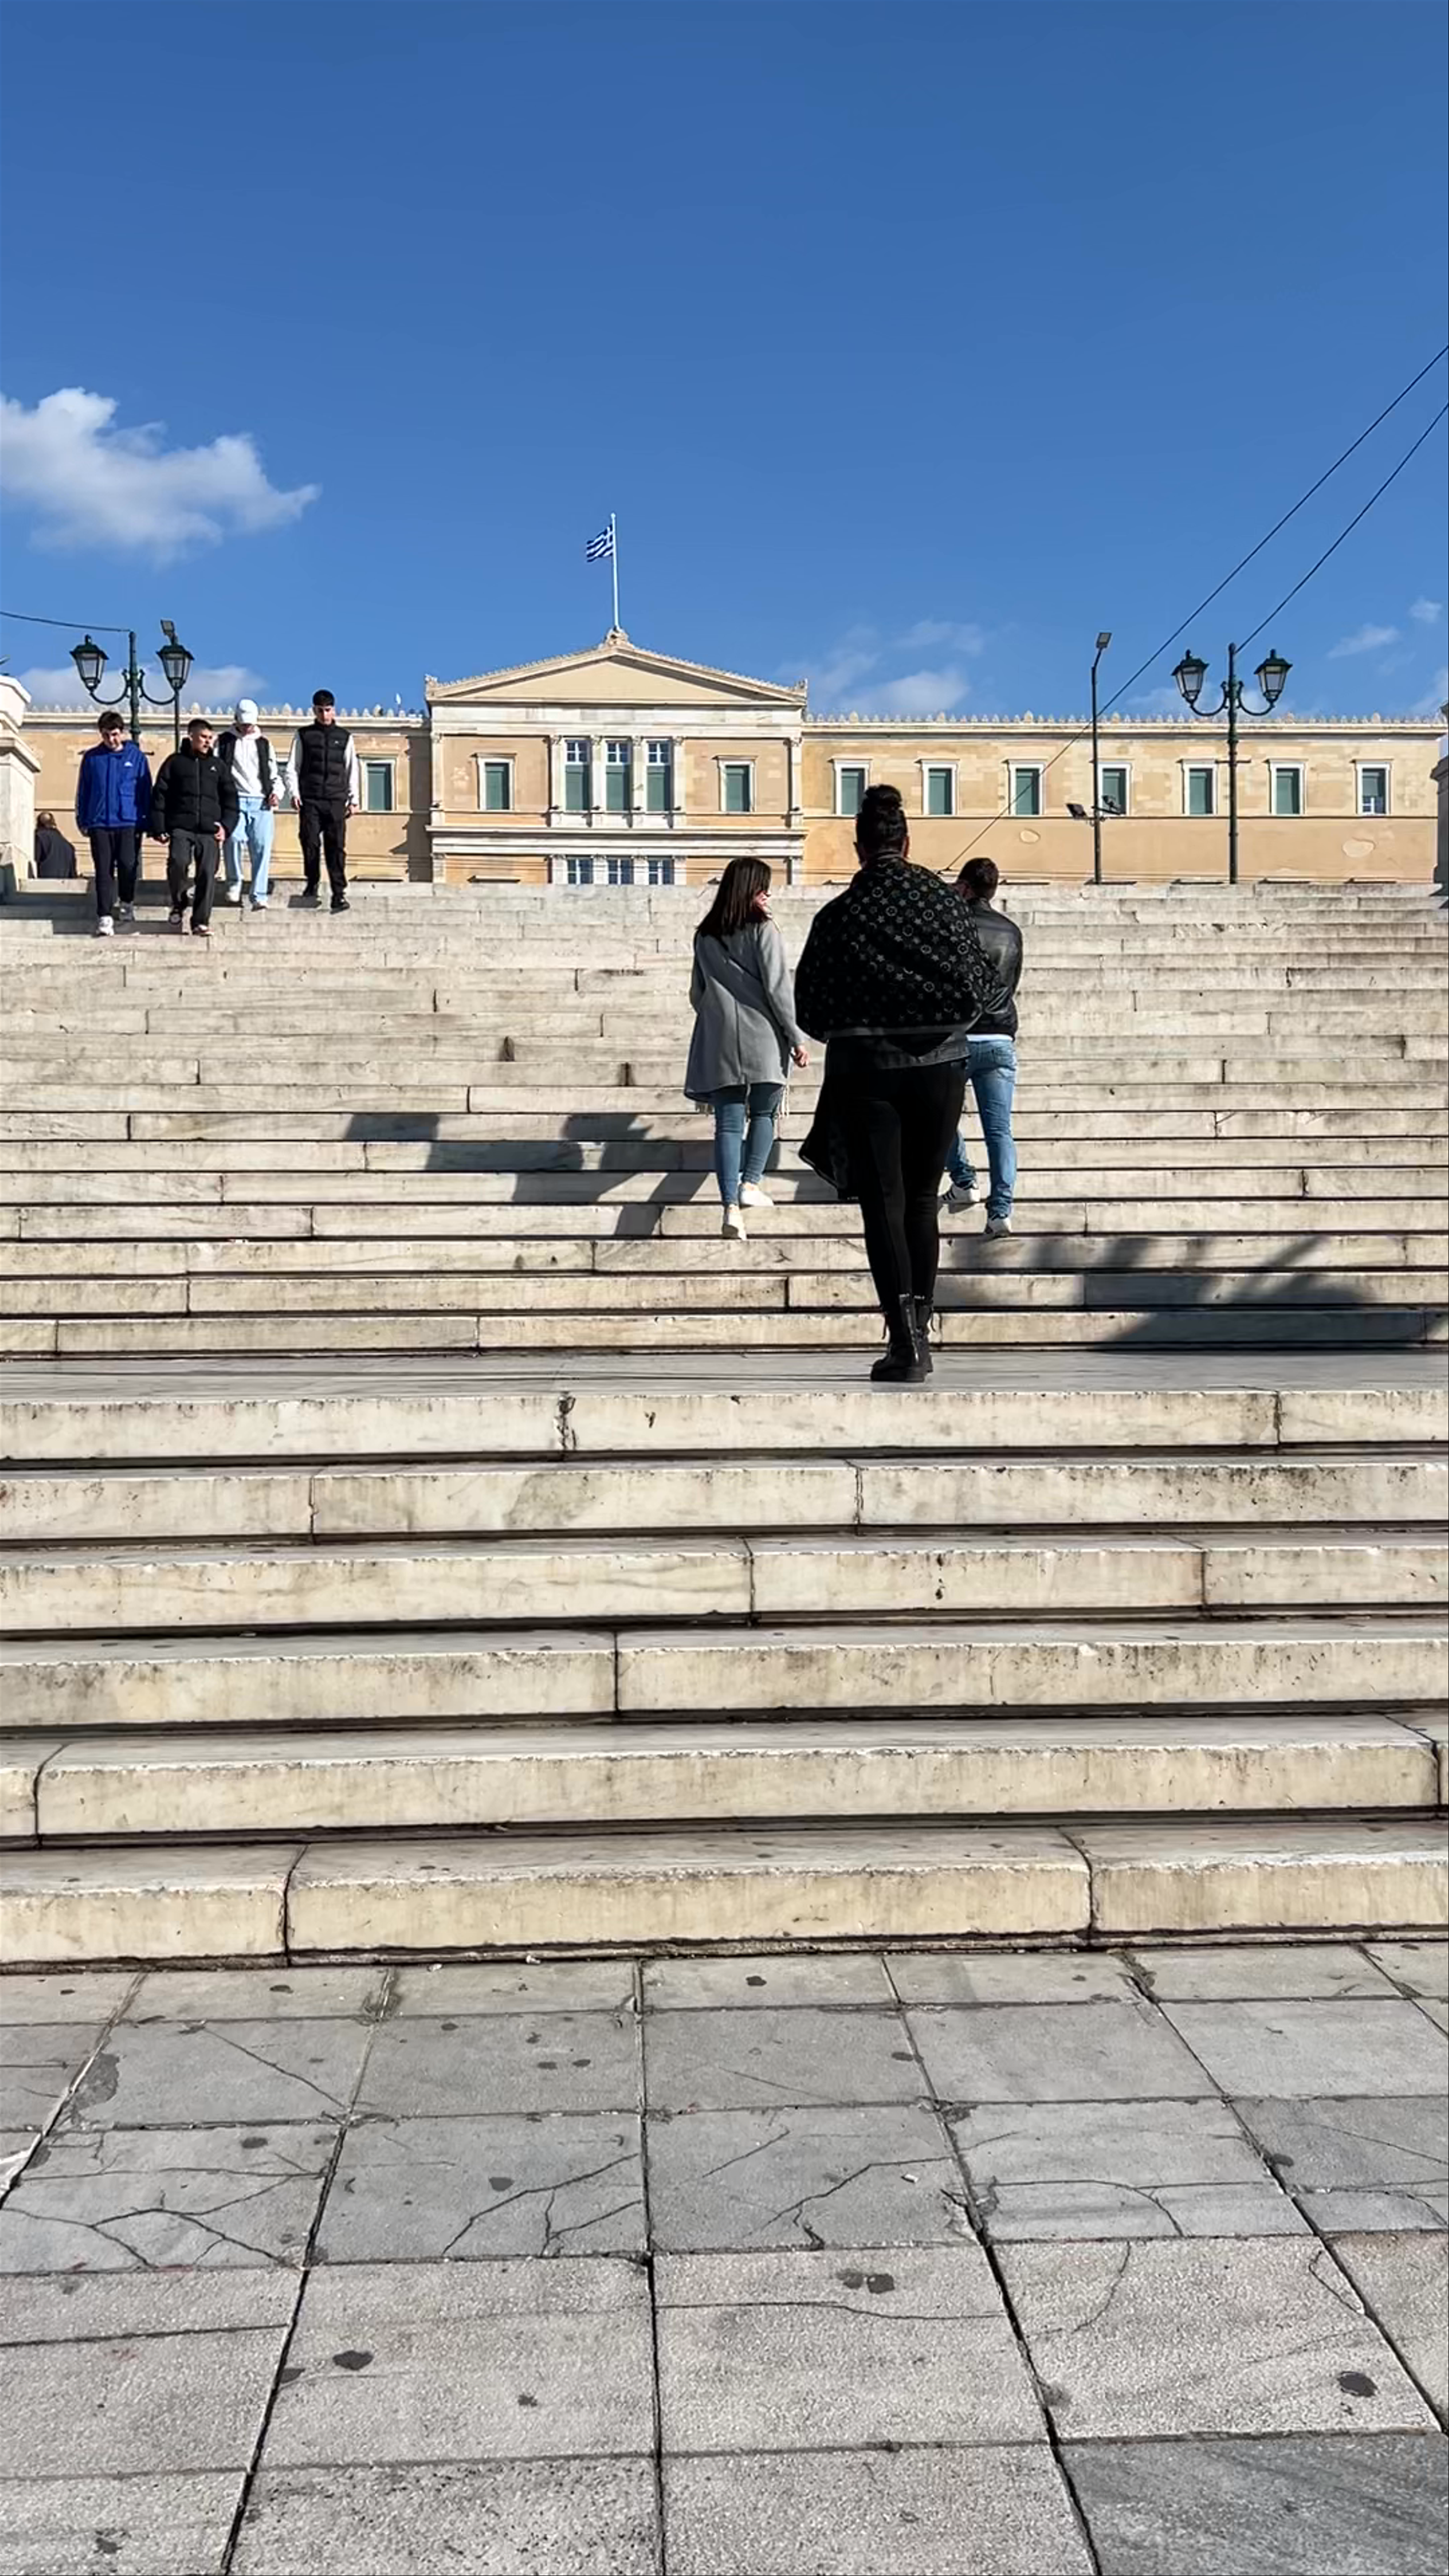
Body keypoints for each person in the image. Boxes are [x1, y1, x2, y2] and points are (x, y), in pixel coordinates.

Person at [795, 784, 994, 1382]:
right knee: (922, 1199)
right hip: (940, 1065)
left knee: (882, 1202)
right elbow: (984, 987)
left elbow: (809, 1007)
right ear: (907, 842)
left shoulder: (838, 915)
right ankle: (924, 1328)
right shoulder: (944, 902)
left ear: (859, 848)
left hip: (866, 1068)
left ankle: (904, 1341)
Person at [685, 857, 808, 1240]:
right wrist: (796, 1036)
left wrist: (717, 1014)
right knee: (766, 1113)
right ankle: (751, 1184)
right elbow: (777, 988)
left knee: (727, 1123)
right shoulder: (764, 929)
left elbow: (697, 992)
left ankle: (729, 1207)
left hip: (719, 1037)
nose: (768, 894)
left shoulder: (704, 934)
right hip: (764, 1036)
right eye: (764, 887)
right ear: (751, 889)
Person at [942, 857, 1024, 1238]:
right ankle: (1001, 1211)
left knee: (940, 1120)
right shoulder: (1011, 931)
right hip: (999, 1036)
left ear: (966, 887)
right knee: (999, 1129)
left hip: (957, 1037)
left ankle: (964, 1180)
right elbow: (1010, 984)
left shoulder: (953, 928)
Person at [147, 717, 240, 939]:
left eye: (210, 738)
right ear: (191, 737)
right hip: (181, 827)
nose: (208, 742)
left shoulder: (219, 767)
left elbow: (231, 800)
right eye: (203, 738)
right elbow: (160, 795)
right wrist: (159, 827)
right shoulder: (175, 763)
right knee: (178, 863)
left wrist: (226, 826)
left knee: (208, 873)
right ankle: (179, 903)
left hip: (209, 831)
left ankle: (200, 921)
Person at [74, 712, 152, 937]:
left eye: (115, 735)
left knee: (129, 865)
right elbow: (84, 790)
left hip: (129, 821)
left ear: (123, 732)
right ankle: (105, 916)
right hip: (99, 822)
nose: (111, 739)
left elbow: (146, 790)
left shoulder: (136, 757)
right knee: (103, 871)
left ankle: (127, 902)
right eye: (107, 735)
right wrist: (83, 820)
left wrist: (147, 821)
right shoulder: (92, 758)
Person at [284, 689, 359, 912]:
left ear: (333, 709)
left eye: (328, 710)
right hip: (311, 798)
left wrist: (354, 799)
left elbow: (351, 769)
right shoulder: (304, 735)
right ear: (314, 710)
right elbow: (292, 767)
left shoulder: (345, 737)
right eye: (320, 711)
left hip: (336, 799)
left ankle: (338, 893)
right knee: (310, 842)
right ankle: (313, 881)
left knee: (336, 846)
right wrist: (294, 794)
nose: (325, 715)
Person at [216, 699, 282, 909]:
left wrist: (276, 794)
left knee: (262, 847)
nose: (247, 728)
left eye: (250, 724)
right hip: (234, 800)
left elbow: (274, 775)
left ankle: (259, 894)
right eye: (244, 724)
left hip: (261, 802)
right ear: (236, 720)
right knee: (234, 839)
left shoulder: (264, 744)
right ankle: (235, 882)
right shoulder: (224, 742)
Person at [32, 812, 77, 879]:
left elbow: (35, 860)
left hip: (44, 885)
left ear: (39, 824)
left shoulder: (40, 837)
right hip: (64, 887)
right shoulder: (69, 846)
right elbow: (73, 875)